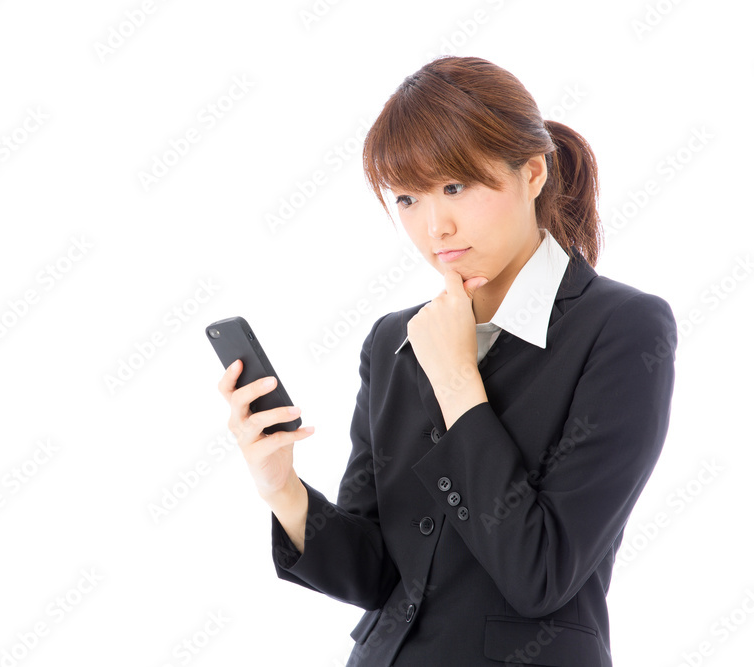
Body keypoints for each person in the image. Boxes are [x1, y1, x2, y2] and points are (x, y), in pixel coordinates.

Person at [217, 55, 676, 666]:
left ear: (532, 172)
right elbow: (378, 575)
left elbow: (541, 574)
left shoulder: (622, 327)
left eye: (455, 187)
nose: (435, 226)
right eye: (407, 198)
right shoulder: (393, 342)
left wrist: (459, 379)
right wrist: (283, 489)